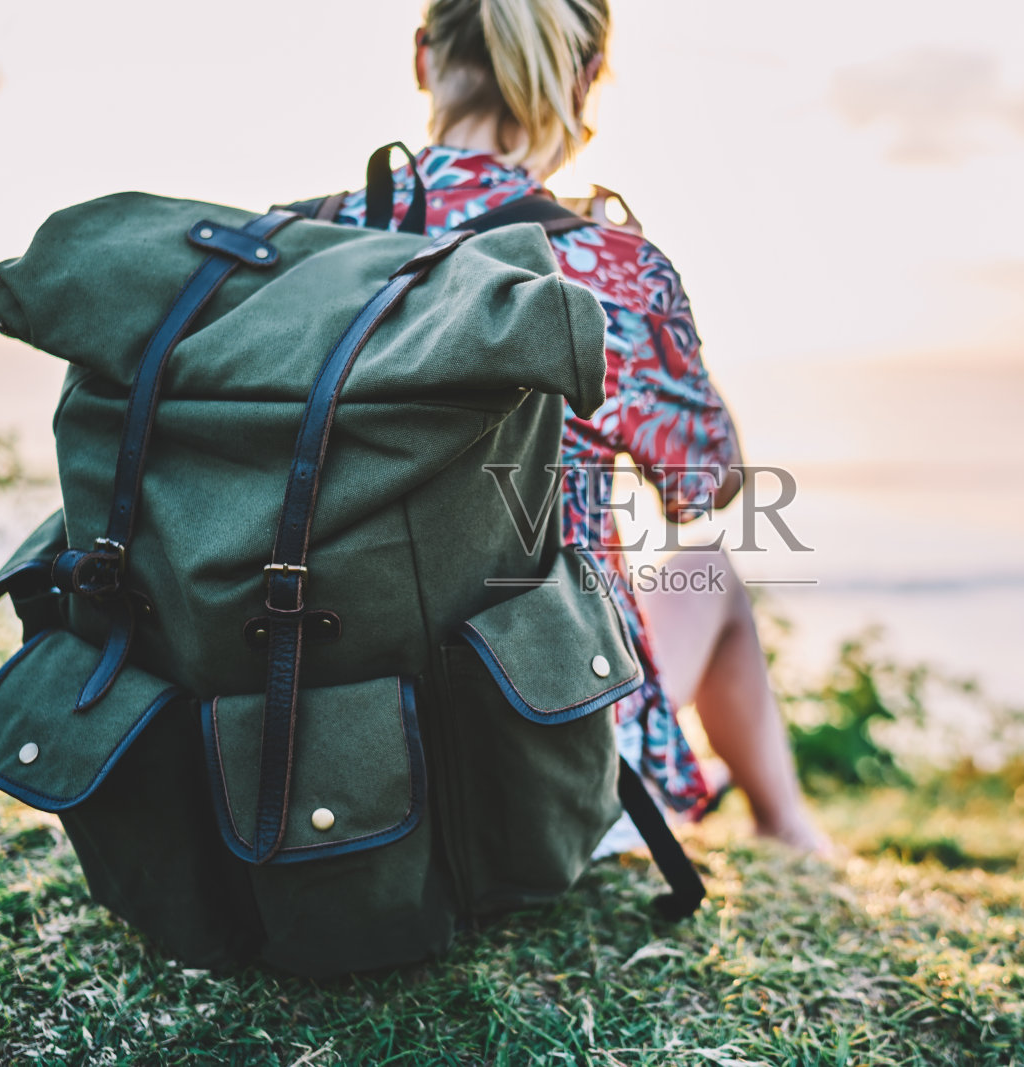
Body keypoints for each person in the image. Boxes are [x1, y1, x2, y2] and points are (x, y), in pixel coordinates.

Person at [338, 0, 824, 854]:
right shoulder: (609, 267)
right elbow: (704, 484)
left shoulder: (311, 241)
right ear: (587, 79)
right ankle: (789, 829)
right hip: (558, 769)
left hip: (331, 750)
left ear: (423, 58)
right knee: (709, 571)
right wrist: (660, 312)